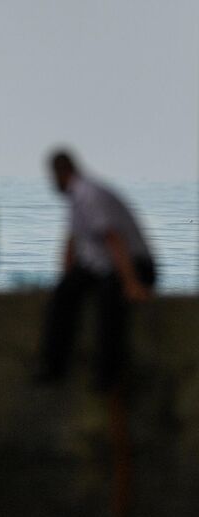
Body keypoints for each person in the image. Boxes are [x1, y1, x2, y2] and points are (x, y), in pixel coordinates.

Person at [37, 150, 156, 390]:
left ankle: (108, 375)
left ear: (60, 173)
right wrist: (67, 277)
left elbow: (114, 239)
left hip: (133, 264)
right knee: (63, 296)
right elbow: (72, 243)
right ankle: (54, 366)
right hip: (102, 265)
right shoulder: (76, 198)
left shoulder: (89, 195)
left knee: (110, 303)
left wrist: (131, 282)